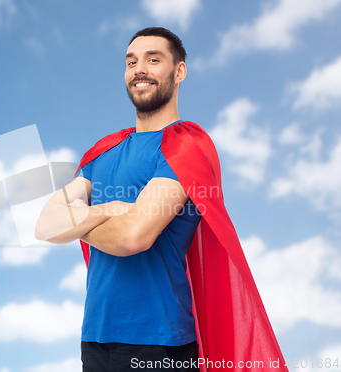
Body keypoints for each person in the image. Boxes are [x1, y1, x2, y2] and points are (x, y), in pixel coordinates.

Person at [35, 27, 287, 372]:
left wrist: (76, 219)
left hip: (159, 344)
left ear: (178, 72)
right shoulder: (103, 152)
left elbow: (133, 236)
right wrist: (108, 210)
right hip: (94, 339)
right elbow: (44, 225)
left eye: (154, 60)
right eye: (131, 61)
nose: (140, 69)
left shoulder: (185, 146)